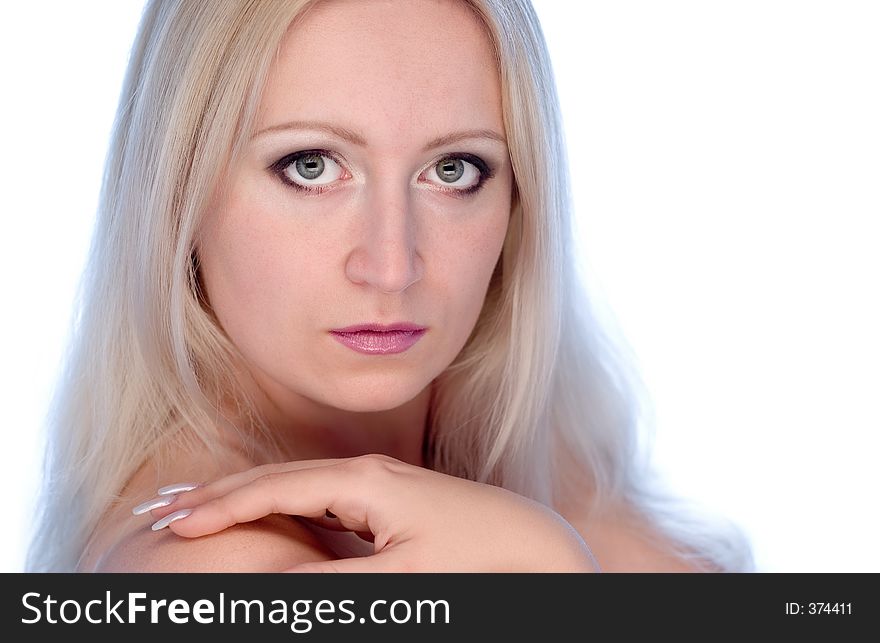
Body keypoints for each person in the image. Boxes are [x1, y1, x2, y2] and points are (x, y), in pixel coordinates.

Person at [27, 0, 752, 572]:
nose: (391, 265)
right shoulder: (217, 561)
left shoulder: (580, 492)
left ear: (518, 203)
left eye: (454, 170)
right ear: (179, 191)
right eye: (310, 165)